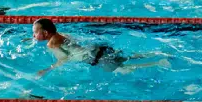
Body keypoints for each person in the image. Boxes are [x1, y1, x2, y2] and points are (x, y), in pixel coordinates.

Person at [32, 18, 167, 76]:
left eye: (34, 33)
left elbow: (64, 59)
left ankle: (157, 63)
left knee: (124, 69)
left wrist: (47, 69)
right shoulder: (61, 34)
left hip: (94, 58)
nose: (33, 36)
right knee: (126, 58)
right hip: (97, 49)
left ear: (45, 33)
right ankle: (155, 53)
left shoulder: (51, 44)